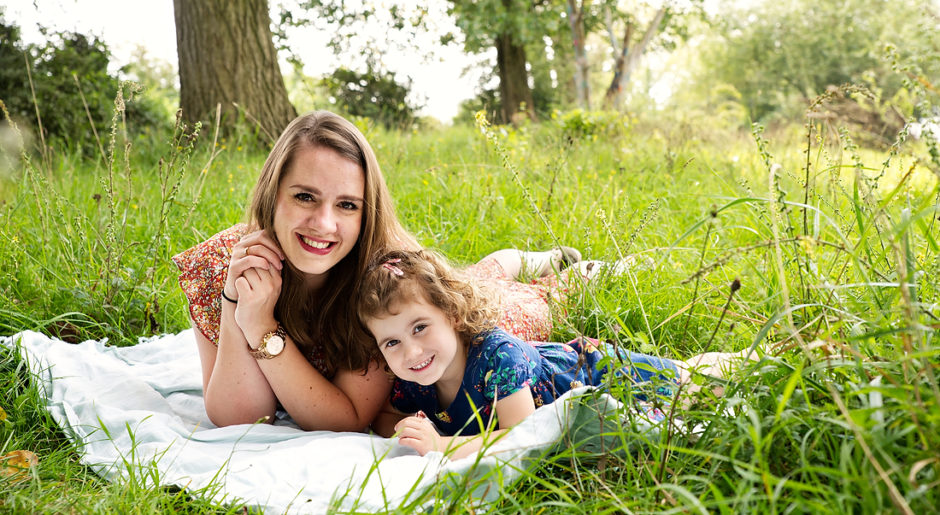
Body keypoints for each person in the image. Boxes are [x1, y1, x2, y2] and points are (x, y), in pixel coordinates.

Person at [172, 110, 585, 432]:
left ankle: (549, 265)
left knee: (520, 295)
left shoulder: (384, 281)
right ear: (273, 193)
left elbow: (349, 416)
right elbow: (239, 418)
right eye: (304, 197)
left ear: (366, 211)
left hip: (476, 325)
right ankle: (515, 259)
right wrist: (237, 303)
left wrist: (263, 328)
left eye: (347, 205)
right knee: (478, 276)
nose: (324, 224)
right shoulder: (224, 260)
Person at [357, 249, 750, 459]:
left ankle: (759, 354)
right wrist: (410, 427)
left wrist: (443, 446)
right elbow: (386, 415)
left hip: (597, 375)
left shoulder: (495, 358)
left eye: (420, 327)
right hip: (570, 382)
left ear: (454, 315)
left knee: (697, 383)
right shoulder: (417, 379)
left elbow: (522, 436)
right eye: (391, 343)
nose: (410, 351)